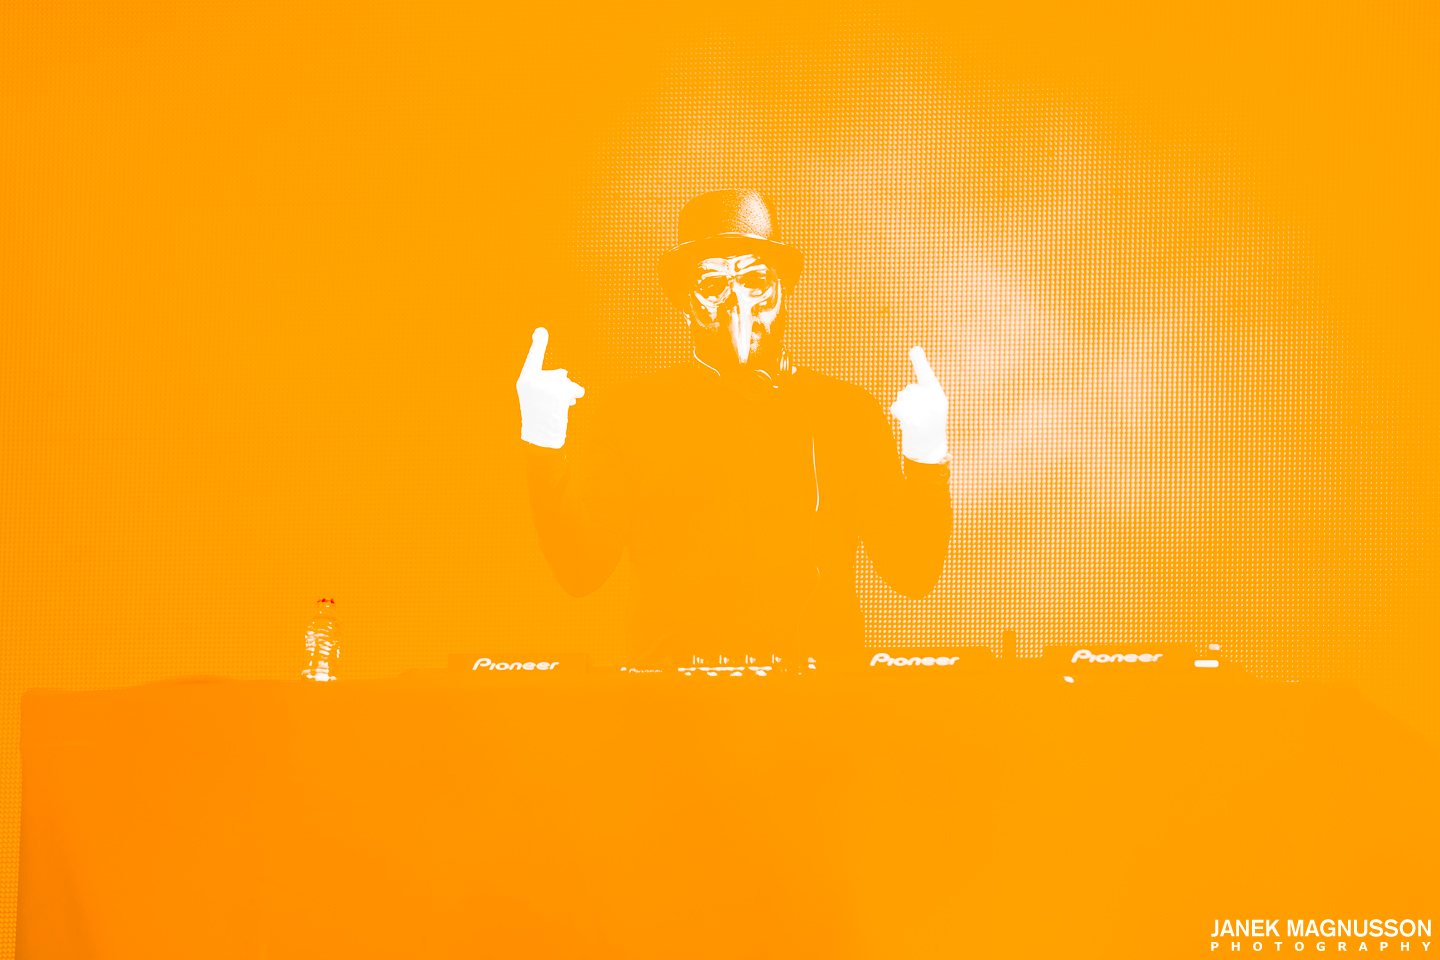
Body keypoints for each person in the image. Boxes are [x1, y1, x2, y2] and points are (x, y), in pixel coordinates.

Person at [516, 189, 952, 667]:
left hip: (819, 699)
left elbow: (913, 573)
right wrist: (543, 440)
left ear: (784, 291)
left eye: (756, 281)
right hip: (672, 699)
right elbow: (580, 570)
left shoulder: (845, 413)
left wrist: (926, 452)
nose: (737, 305)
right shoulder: (634, 412)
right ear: (684, 302)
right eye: (712, 286)